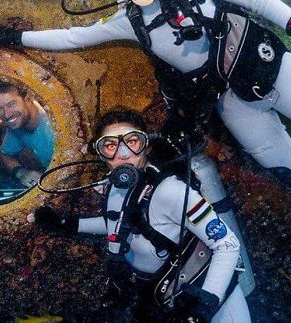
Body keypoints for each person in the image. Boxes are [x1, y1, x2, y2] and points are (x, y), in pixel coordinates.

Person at [0, 0, 291, 206]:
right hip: (230, 100)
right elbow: (73, 37)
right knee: (290, 175)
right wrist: (14, 37)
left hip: (274, 68)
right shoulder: (128, 19)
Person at [32, 108, 250, 322]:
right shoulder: (116, 188)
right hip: (166, 297)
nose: (124, 154)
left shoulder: (170, 191)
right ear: (101, 154)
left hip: (211, 298)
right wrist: (68, 224)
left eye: (132, 142)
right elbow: (118, 221)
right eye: (110, 146)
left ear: (146, 146)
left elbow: (227, 243)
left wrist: (203, 306)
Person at [0, 80, 55, 188]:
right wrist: (21, 172)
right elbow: (5, 154)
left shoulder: (51, 125)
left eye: (11, 104)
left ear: (28, 99)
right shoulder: (16, 126)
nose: (6, 114)